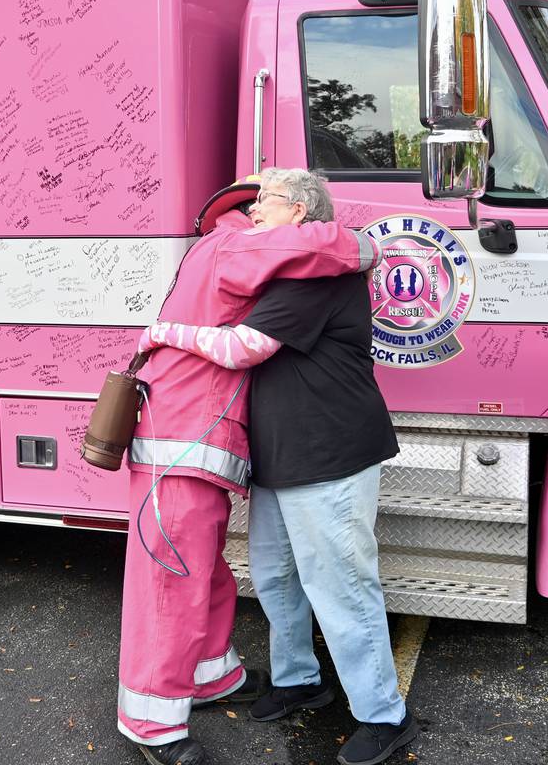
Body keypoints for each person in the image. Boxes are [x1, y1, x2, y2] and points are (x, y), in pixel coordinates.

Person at [140, 168, 418, 765]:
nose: (255, 208)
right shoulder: (281, 271)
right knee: (276, 577)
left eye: (267, 199)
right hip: (281, 457)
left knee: (340, 587)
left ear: (301, 212)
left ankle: (385, 715)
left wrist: (165, 333)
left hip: (327, 454)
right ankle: (298, 680)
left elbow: (243, 347)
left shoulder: (316, 275)